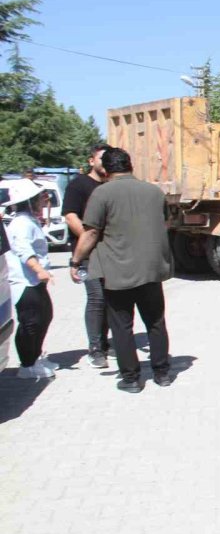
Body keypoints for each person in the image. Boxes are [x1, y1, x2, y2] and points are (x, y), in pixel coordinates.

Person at [70, 148, 173, 394]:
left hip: (117, 271)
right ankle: (162, 373)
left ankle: (131, 379)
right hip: (151, 270)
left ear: (105, 169)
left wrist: (76, 261)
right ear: (131, 165)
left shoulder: (101, 193)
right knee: (155, 322)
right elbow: (165, 222)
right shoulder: (154, 191)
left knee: (122, 325)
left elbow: (91, 232)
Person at [62, 143, 112, 368]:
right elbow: (71, 216)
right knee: (96, 298)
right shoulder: (79, 185)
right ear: (91, 161)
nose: (105, 163)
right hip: (88, 253)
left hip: (110, 253)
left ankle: (106, 343)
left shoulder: (112, 185)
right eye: (102, 158)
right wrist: (88, 239)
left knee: (111, 299)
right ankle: (96, 349)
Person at [4, 180, 56, 379]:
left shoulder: (29, 220)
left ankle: (35, 356)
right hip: (26, 281)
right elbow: (22, 248)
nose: (43, 201)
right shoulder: (21, 223)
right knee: (31, 322)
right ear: (29, 201)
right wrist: (38, 269)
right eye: (39, 198)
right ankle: (27, 365)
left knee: (44, 317)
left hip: (34, 281)